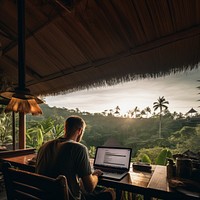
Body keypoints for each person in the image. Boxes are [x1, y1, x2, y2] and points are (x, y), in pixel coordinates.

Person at [35, 115, 114, 200]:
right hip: (67, 197)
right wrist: (96, 175)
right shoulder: (79, 148)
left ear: (65, 128)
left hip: (45, 196)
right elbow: (89, 187)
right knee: (110, 192)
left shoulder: (44, 146)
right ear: (80, 131)